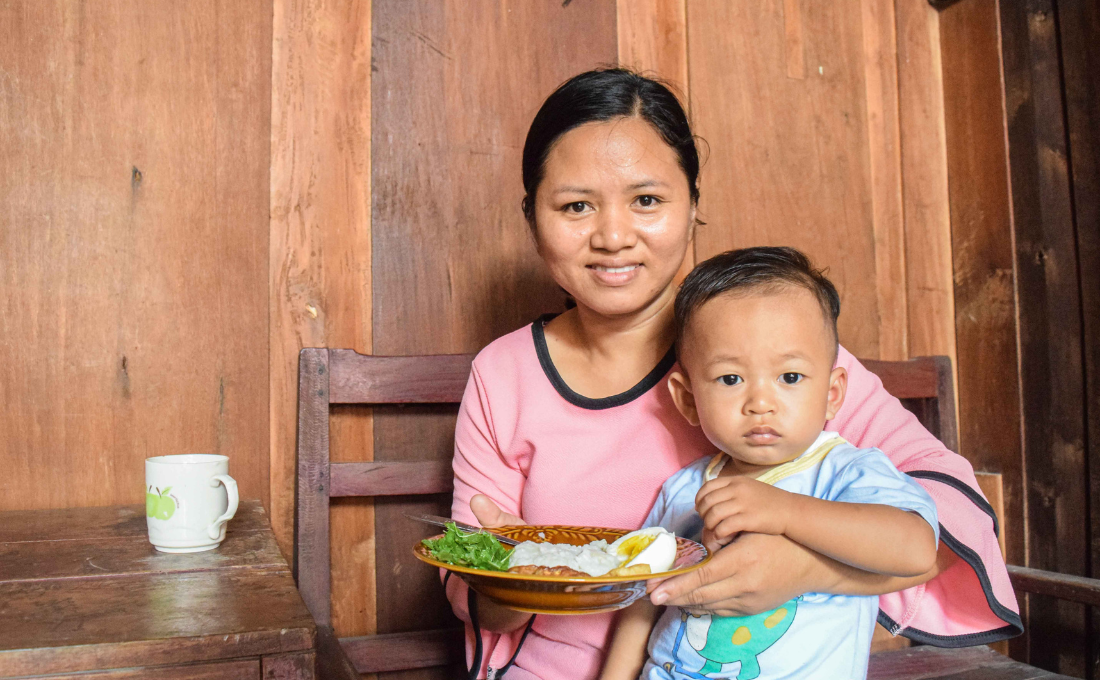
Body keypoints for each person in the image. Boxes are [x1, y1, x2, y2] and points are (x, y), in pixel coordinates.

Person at [446, 69, 1020, 680]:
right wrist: (507, 572)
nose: (613, 237)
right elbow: (481, 607)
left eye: (647, 200)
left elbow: (941, 512)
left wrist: (803, 568)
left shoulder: (768, 351)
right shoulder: (503, 373)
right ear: (532, 216)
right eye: (575, 206)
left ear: (693, 205)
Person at [600, 246, 940, 680]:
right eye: (730, 379)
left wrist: (783, 510)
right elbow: (646, 598)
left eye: (790, 377)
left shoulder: (846, 472)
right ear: (687, 400)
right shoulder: (683, 489)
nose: (760, 403)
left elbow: (915, 549)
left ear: (833, 393)